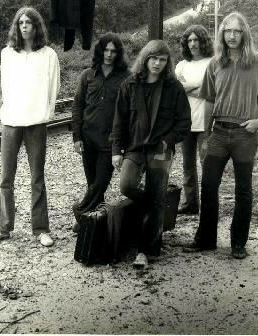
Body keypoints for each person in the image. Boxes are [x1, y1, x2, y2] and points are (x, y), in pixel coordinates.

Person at [184, 12, 258, 259]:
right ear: (222, 35)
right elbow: (208, 101)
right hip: (218, 132)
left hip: (244, 135)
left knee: (243, 190)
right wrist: (205, 136)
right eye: (228, 31)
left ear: (244, 33)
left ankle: (238, 243)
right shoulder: (216, 64)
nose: (232, 36)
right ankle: (206, 240)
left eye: (237, 31)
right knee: (208, 185)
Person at [111, 40, 191, 269]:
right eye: (153, 58)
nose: (157, 63)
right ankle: (156, 203)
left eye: (162, 59)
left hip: (160, 149)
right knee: (127, 186)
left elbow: (184, 122)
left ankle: (145, 250)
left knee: (156, 191)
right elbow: (119, 121)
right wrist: (117, 151)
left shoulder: (173, 87)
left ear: (167, 63)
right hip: (135, 148)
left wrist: (168, 141)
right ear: (145, 58)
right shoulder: (130, 85)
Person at [0, 7, 60, 247]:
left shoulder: (48, 55)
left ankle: (40, 229)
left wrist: (45, 114)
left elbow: (53, 87)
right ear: (17, 27)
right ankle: (3, 227)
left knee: (37, 177)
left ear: (37, 26)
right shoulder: (7, 53)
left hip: (36, 122)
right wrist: (9, 111)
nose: (25, 26)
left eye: (29, 22)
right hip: (11, 121)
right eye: (21, 23)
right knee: (6, 177)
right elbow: (6, 87)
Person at [71, 33, 130, 230]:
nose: (109, 54)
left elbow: (128, 111)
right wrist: (77, 137)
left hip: (110, 141)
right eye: (106, 50)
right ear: (100, 51)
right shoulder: (87, 75)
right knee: (93, 184)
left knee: (100, 183)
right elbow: (78, 106)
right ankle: (93, 222)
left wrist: (122, 143)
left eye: (114, 51)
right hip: (88, 139)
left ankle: (80, 213)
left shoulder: (125, 78)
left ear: (118, 54)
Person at [175, 25, 214, 214]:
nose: (192, 44)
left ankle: (207, 204)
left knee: (207, 165)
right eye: (189, 41)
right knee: (188, 166)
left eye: (196, 40)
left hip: (206, 122)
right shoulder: (181, 65)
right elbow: (176, 91)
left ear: (203, 41)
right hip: (186, 123)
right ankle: (191, 204)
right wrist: (201, 87)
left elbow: (215, 93)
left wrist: (187, 86)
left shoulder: (212, 63)